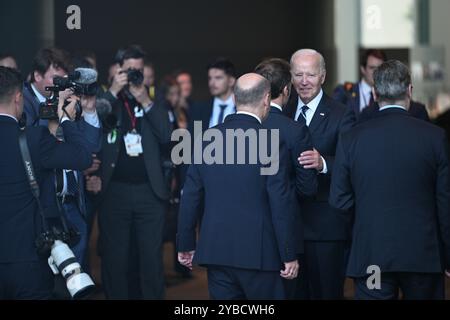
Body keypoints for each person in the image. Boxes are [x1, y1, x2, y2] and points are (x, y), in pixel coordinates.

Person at [329, 60, 450, 300]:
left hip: (373, 257)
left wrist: (363, 228)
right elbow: (445, 202)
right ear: (410, 91)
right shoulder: (435, 138)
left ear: (374, 93)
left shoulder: (351, 139)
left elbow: (339, 201)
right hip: (422, 257)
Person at [177, 73, 299, 300]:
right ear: (266, 99)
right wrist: (288, 252)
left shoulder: (205, 139)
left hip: (216, 250)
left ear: (234, 99)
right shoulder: (270, 142)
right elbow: (280, 201)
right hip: (260, 254)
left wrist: (185, 244)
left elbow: (190, 196)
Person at [0, 66, 93, 299]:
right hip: (27, 260)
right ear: (18, 97)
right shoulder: (32, 138)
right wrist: (65, 118)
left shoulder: (35, 139)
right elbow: (82, 157)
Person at [96, 45, 172, 299]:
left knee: (151, 261)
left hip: (149, 192)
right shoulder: (108, 98)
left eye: (139, 70)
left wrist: (145, 99)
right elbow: (93, 121)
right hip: (114, 191)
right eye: (130, 71)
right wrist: (115, 91)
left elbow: (167, 136)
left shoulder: (155, 99)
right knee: (115, 260)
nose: (135, 75)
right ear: (118, 70)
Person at [285, 49, 356, 299]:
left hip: (325, 226)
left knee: (326, 293)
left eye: (311, 75)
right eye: (298, 75)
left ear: (323, 76)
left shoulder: (342, 113)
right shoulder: (283, 110)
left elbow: (352, 163)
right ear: (291, 78)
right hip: (288, 225)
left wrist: (323, 162)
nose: (304, 81)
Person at [333, 49, 429, 122]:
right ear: (363, 69)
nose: (376, 72)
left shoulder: (398, 96)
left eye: (380, 68)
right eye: (372, 68)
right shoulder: (345, 92)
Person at [23, 47, 72, 127]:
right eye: (56, 79)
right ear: (37, 76)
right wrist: (57, 107)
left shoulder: (66, 99)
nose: (61, 84)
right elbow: (33, 134)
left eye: (63, 79)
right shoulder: (23, 99)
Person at [188, 58, 236, 135]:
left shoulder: (241, 108)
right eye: (210, 78)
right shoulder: (198, 109)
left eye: (218, 78)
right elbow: (192, 139)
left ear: (231, 81)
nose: (212, 83)